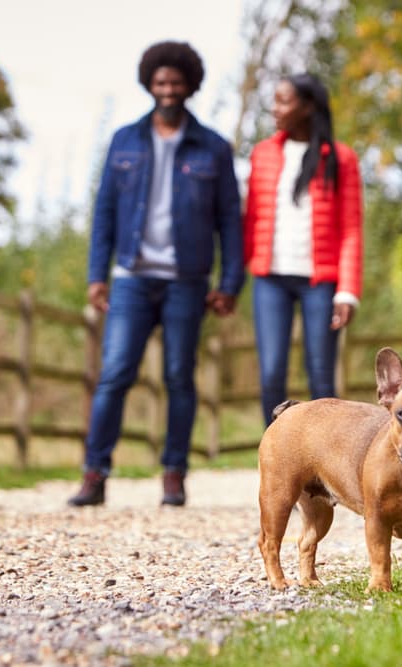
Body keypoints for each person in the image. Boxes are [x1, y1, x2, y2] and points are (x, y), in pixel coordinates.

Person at [68, 41, 244, 508]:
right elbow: (103, 211)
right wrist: (96, 274)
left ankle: (173, 473)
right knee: (114, 373)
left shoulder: (213, 147)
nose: (168, 89)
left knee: (178, 377)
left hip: (186, 280)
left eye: (176, 81)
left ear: (189, 85)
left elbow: (230, 220)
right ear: (149, 84)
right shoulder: (125, 139)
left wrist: (229, 283)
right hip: (130, 276)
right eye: (160, 81)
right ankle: (94, 473)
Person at [243, 73, 363, 427]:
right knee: (270, 374)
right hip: (270, 279)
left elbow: (352, 228)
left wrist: (348, 291)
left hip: (320, 282)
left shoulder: (341, 159)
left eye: (283, 101)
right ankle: (276, 458)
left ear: (307, 107)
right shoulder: (262, 154)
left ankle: (327, 464)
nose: (275, 108)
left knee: (322, 377)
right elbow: (250, 217)